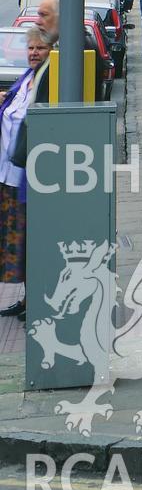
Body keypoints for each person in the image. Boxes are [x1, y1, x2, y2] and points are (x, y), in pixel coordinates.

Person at [0, 20, 52, 309]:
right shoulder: (25, 79)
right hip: (7, 176)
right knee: (18, 242)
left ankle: (35, 299)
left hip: (29, 178)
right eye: (31, 47)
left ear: (51, 51)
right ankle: (26, 297)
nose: (34, 52)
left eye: (40, 48)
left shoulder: (46, 80)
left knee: (31, 241)